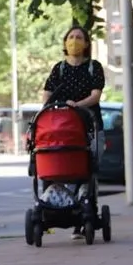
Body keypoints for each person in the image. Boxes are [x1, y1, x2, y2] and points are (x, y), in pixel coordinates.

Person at [42, 26, 106, 239]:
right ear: (65, 42)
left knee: (88, 170)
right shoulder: (59, 69)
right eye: (71, 37)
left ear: (86, 43)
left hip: (89, 126)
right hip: (63, 128)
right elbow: (47, 94)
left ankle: (86, 213)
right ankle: (56, 210)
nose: (74, 41)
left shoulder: (93, 67)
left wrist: (77, 105)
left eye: (79, 37)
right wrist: (52, 108)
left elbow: (95, 96)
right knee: (60, 168)